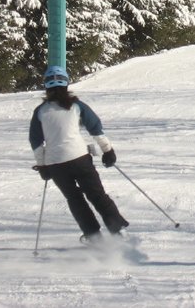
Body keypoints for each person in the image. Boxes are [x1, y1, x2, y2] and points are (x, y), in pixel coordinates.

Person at [29, 65, 129, 244]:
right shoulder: (76, 106)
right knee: (97, 194)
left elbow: (36, 141)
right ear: (66, 84)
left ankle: (93, 235)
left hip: (56, 164)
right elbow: (95, 128)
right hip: (80, 159)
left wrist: (43, 165)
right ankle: (118, 230)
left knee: (75, 199)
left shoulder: (41, 111)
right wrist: (108, 150)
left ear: (46, 87)